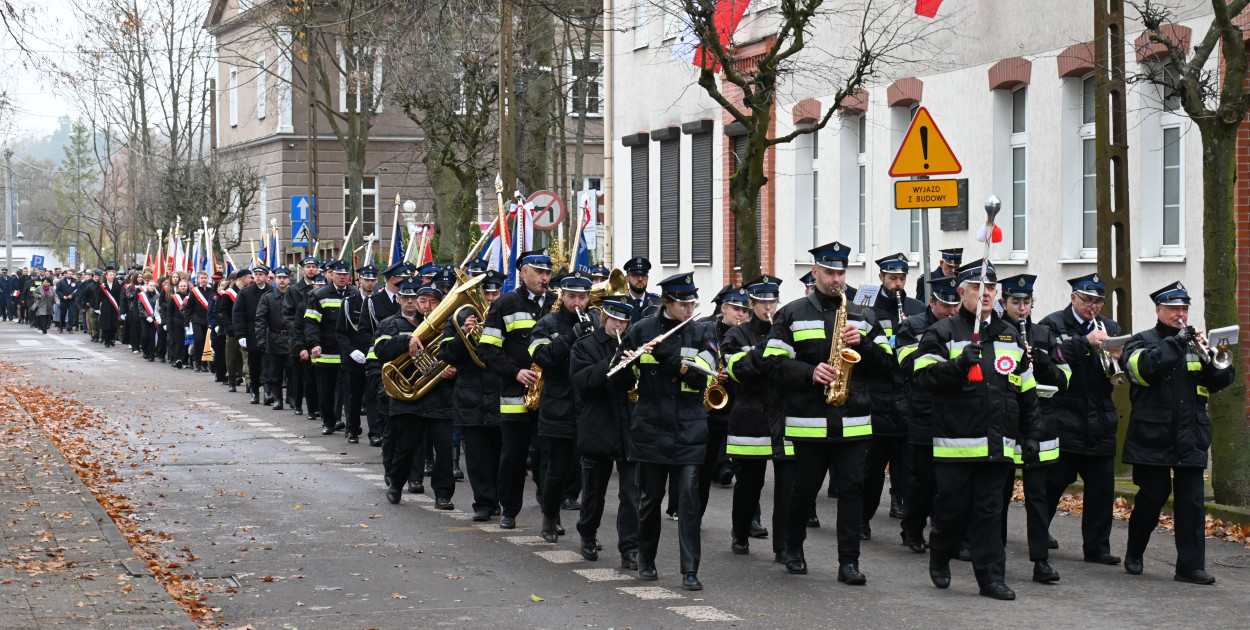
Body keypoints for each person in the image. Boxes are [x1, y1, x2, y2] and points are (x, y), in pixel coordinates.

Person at [914, 259, 1044, 601]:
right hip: (956, 443)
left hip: (998, 443)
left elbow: (1024, 386)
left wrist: (1032, 434)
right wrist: (958, 365)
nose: (984, 294)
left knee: (990, 513)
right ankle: (940, 556)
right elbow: (923, 377)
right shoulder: (943, 332)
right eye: (976, 287)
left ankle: (991, 579)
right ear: (962, 293)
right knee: (952, 510)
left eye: (990, 288)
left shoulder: (1009, 333)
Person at [765, 241, 891, 584]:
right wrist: (809, 372)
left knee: (852, 491)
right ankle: (793, 548)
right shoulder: (792, 313)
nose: (837, 280)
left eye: (841, 273)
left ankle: (849, 562)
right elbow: (773, 364)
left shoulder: (863, 315)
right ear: (815, 272)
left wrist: (861, 343)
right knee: (803, 490)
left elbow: (886, 366)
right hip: (809, 422)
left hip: (853, 422)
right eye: (830, 272)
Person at [1120, 281, 1235, 584]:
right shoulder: (1140, 342)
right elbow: (1144, 370)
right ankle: (1135, 551)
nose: (1180, 314)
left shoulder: (1196, 343)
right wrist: (1178, 342)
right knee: (1153, 497)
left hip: (1191, 435)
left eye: (1184, 308)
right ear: (1159, 310)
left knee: (1192, 504)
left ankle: (1190, 566)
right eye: (1173, 309)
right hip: (1152, 436)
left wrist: (1216, 360)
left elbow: (1220, 383)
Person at [609, 272, 718, 591]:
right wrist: (626, 365)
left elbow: (703, 377)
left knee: (688, 499)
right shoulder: (642, 330)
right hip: (650, 425)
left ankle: (690, 570)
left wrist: (668, 360)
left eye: (692, 302)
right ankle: (647, 560)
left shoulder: (703, 332)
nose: (690, 308)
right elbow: (618, 379)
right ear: (667, 303)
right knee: (649, 498)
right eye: (684, 303)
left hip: (688, 424)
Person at [1040, 273, 1124, 568]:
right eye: (1087, 300)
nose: (1092, 306)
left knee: (1101, 490)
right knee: (1054, 483)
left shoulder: (1110, 328)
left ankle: (1097, 548)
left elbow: (1121, 369)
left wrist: (1120, 357)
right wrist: (1085, 342)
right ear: (1073, 297)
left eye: (1098, 301)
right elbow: (1050, 360)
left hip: (1100, 420)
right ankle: (1039, 534)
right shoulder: (1052, 324)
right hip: (1064, 417)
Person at [478, 249, 557, 530]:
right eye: (539, 272)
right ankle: (509, 509)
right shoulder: (505, 304)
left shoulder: (557, 303)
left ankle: (551, 514)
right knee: (513, 456)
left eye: (548, 272)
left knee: (549, 456)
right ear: (523, 272)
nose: (545, 278)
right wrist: (516, 371)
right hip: (516, 394)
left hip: (551, 395)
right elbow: (487, 348)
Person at [997, 273, 1068, 584]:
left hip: (1039, 424)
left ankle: (1041, 560)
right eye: (1016, 303)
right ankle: (994, 554)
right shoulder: (995, 334)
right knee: (998, 494)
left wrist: (1042, 363)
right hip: (1005, 424)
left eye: (1026, 303)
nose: (1022, 308)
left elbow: (1063, 380)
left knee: (1037, 497)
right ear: (1004, 303)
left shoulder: (1043, 334)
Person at [723, 275, 793, 561]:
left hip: (785, 415)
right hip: (750, 416)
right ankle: (740, 533)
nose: (768, 306)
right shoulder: (736, 336)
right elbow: (742, 371)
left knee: (788, 487)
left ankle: (785, 546)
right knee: (750, 484)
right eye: (762, 301)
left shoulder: (786, 330)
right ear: (751, 304)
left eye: (772, 301)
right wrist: (770, 348)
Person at [570, 294, 639, 566]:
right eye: (613, 319)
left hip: (629, 427)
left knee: (631, 494)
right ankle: (587, 533)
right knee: (594, 491)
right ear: (604, 318)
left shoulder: (636, 346)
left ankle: (630, 548)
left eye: (623, 321)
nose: (618, 326)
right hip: (598, 425)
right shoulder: (585, 346)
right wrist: (612, 363)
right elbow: (582, 381)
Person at [375, 282, 457, 510]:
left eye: (433, 302)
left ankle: (443, 495)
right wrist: (406, 341)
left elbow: (460, 354)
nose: (427, 305)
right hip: (408, 398)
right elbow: (381, 352)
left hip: (440, 397)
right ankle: (396, 484)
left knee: (443, 449)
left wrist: (454, 370)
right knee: (406, 446)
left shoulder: (449, 326)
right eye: (423, 301)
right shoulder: (392, 324)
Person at [896, 275, 963, 553]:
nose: (951, 312)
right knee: (923, 479)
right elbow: (909, 365)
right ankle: (912, 529)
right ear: (932, 301)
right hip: (924, 409)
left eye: (955, 306)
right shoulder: (911, 327)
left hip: (957, 413)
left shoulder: (964, 327)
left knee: (951, 483)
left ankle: (945, 534)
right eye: (946, 306)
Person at [862, 253, 926, 539]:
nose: (898, 284)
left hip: (906, 394)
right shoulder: (868, 309)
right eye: (893, 279)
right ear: (881, 279)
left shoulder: (916, 308)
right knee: (872, 467)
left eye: (902, 279)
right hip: (877, 394)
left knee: (909, 465)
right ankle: (862, 519)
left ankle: (906, 518)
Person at [531, 270, 596, 542]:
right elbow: (543, 356)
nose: (577, 302)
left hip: (589, 406)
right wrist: (570, 337)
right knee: (557, 469)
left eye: (582, 297)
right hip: (558, 405)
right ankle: (549, 517)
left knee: (588, 472)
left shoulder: (597, 322)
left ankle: (587, 530)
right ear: (563, 295)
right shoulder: (547, 323)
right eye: (572, 296)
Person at [440, 269, 505, 520]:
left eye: (494, 293)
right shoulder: (461, 317)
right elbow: (445, 353)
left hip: (499, 392)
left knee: (501, 454)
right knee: (477, 457)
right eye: (485, 293)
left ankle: (500, 500)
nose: (489, 299)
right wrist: (463, 335)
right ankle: (483, 504)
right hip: (471, 395)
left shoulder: (505, 315)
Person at [305, 261, 350, 434]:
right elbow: (311, 323)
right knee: (326, 390)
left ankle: (341, 420)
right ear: (331, 275)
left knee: (347, 389)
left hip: (347, 352)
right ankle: (328, 420)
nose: (342, 277)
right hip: (326, 350)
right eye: (338, 274)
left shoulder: (354, 294)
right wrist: (314, 344)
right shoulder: (319, 295)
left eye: (345, 274)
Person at [336, 265, 376, 443]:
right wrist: (351, 351)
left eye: (372, 280)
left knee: (374, 397)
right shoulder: (349, 302)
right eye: (366, 279)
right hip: (353, 358)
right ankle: (352, 429)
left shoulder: (378, 301)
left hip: (373, 356)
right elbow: (340, 332)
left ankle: (375, 432)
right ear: (359, 281)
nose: (369, 283)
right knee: (353, 397)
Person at [255, 267, 294, 412]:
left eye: (285, 277)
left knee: (292, 372)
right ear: (275, 279)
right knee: (275, 373)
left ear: (289, 279)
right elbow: (260, 319)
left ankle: (292, 398)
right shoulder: (268, 297)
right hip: (274, 338)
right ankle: (277, 398)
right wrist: (261, 338)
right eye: (279, 277)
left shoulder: (294, 295)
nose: (282, 280)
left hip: (291, 338)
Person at [235, 265, 273, 404]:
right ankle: (255, 392)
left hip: (269, 333)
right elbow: (238, 315)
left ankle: (268, 392)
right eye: (255, 274)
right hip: (252, 333)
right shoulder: (245, 293)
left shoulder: (272, 292)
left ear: (266, 276)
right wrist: (241, 335)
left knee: (268, 364)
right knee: (254, 365)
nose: (258, 277)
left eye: (261, 274)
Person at [217, 269, 250, 392]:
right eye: (249, 277)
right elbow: (222, 313)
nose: (250, 280)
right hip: (232, 331)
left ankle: (249, 381)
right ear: (243, 278)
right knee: (231, 357)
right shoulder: (228, 294)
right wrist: (229, 327)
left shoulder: (247, 292)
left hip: (245, 330)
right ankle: (232, 379)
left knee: (247, 356)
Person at [184, 270, 216, 372]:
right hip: (197, 319)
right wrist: (186, 322)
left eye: (205, 278)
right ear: (198, 279)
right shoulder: (194, 292)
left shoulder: (212, 291)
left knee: (207, 342)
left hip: (208, 320)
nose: (203, 280)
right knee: (198, 340)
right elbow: (189, 307)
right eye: (201, 278)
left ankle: (204, 363)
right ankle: (197, 362)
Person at [622, 257, 660, 321]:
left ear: (647, 278)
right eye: (636, 275)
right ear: (627, 279)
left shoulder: (657, 302)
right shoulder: (621, 301)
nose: (640, 279)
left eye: (643, 275)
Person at [95, 267, 125, 348]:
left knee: (114, 325)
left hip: (114, 308)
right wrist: (97, 308)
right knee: (106, 325)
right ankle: (107, 340)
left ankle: (112, 338)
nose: (112, 276)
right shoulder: (102, 286)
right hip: (105, 308)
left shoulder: (116, 285)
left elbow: (119, 297)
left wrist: (120, 307)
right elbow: (98, 297)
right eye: (110, 275)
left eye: (113, 275)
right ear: (106, 276)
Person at [135, 278, 162, 360]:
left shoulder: (158, 296)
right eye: (150, 285)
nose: (152, 287)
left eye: (154, 286)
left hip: (154, 319)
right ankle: (144, 350)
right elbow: (140, 307)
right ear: (147, 286)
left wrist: (153, 317)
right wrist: (147, 317)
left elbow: (159, 308)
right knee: (145, 336)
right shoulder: (142, 295)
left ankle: (151, 355)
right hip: (144, 319)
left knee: (152, 337)